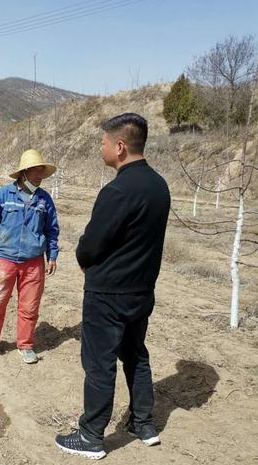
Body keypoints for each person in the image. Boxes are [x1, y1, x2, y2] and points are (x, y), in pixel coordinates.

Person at [55, 113, 171, 459]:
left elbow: (92, 244)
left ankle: (91, 436)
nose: (100, 148)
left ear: (120, 147)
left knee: (99, 362)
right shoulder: (159, 185)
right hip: (141, 291)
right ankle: (143, 423)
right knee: (136, 355)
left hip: (108, 294)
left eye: (103, 143)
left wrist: (82, 257)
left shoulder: (118, 190)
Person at [0, 149, 59, 365]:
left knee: (30, 306)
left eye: (42, 171)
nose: (40, 175)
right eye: (36, 170)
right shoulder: (5, 195)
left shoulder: (45, 200)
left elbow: (52, 229)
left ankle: (25, 345)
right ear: (24, 172)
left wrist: (52, 255)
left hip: (33, 262)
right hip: (4, 259)